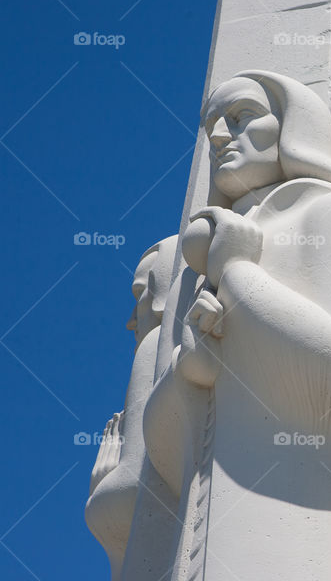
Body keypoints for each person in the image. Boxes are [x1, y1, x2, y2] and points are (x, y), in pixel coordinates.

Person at [142, 71, 331, 579]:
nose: (222, 137)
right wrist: (194, 370)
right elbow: (160, 460)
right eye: (213, 129)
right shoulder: (193, 272)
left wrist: (238, 274)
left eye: (242, 116)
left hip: (297, 513)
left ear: (293, 125)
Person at [86, 235, 177, 580]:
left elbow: (132, 489)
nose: (130, 320)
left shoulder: (154, 350)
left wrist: (102, 491)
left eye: (141, 294)